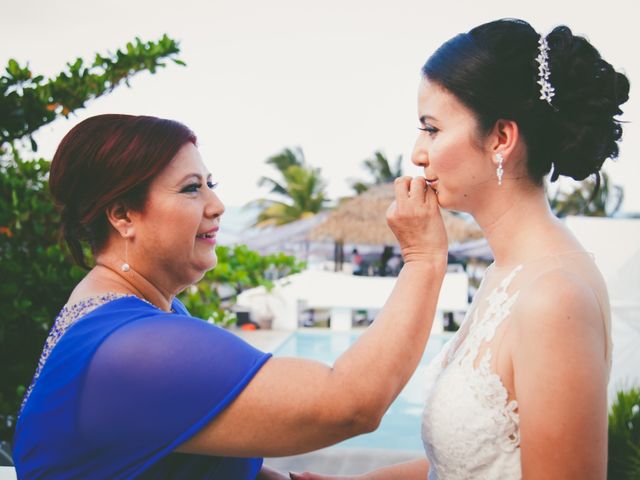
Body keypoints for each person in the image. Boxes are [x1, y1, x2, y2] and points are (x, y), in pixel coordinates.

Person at [12, 114, 448, 479]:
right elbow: (349, 404)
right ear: (123, 215)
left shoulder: (143, 317)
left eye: (210, 183)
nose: (217, 204)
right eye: (190, 188)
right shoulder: (133, 350)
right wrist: (424, 257)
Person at [293, 18, 629, 479]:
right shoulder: (507, 272)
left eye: (431, 129)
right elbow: (464, 465)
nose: (417, 153)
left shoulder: (554, 298)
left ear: (500, 138)